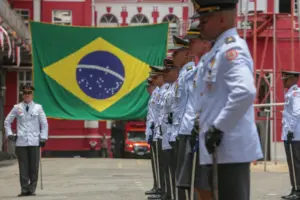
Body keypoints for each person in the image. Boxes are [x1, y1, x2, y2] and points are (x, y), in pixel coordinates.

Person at [190, 0, 263, 199]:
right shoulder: (217, 51)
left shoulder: (232, 50)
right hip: (219, 150)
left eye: (204, 20)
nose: (200, 26)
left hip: (229, 149)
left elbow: (244, 92)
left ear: (222, 19)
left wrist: (219, 127)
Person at [4, 84, 48, 197]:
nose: (27, 95)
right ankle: (24, 189)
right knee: (23, 166)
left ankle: (32, 189)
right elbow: (7, 122)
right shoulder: (17, 107)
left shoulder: (38, 107)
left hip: (34, 141)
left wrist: (43, 137)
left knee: (34, 166)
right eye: (25, 93)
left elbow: (44, 124)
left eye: (29, 93)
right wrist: (10, 134)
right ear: (22, 95)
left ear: (32, 95)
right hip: (21, 141)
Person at [147, 65, 168, 200]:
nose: (152, 82)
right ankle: (159, 186)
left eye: (155, 77)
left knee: (165, 165)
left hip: (164, 131)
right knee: (159, 164)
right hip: (158, 131)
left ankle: (164, 190)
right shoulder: (158, 93)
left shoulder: (164, 91)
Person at [281, 71, 300, 200]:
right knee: (293, 163)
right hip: (291, 134)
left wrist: (290, 131)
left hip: (293, 135)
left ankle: (297, 191)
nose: (283, 81)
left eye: (286, 79)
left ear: (293, 79)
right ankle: (295, 189)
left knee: (294, 163)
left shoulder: (295, 93)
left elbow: (297, 112)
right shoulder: (290, 93)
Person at [145, 77, 159, 196]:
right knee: (156, 163)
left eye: (148, 86)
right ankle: (157, 185)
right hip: (154, 132)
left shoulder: (158, 93)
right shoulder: (153, 96)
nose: (147, 89)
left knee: (161, 165)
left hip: (159, 132)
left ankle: (161, 188)